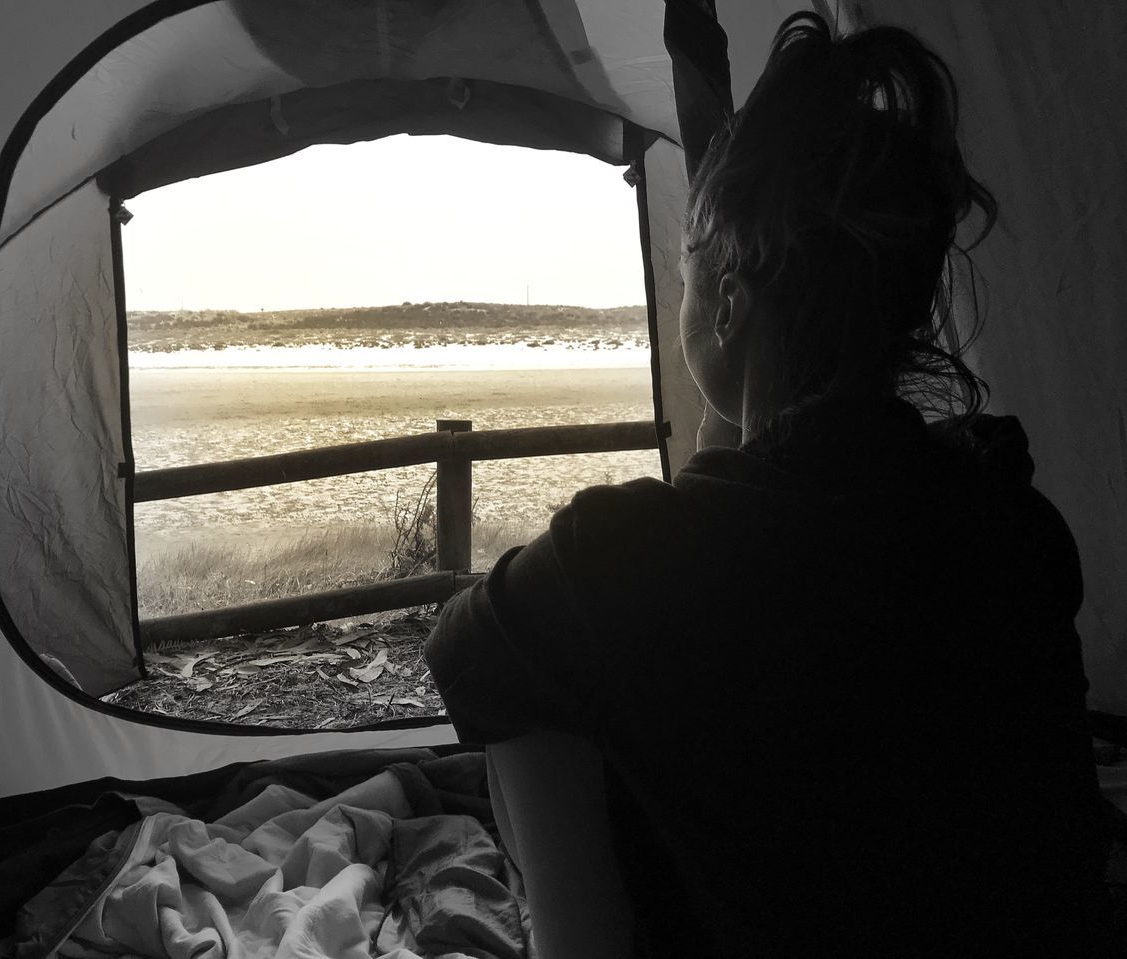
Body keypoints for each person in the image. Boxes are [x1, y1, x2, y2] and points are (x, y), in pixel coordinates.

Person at [424, 11, 1111, 958]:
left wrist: (712, 458)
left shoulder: (615, 566)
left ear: (733, 298)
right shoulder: (1016, 527)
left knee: (530, 681)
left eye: (690, 277)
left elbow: (465, 644)